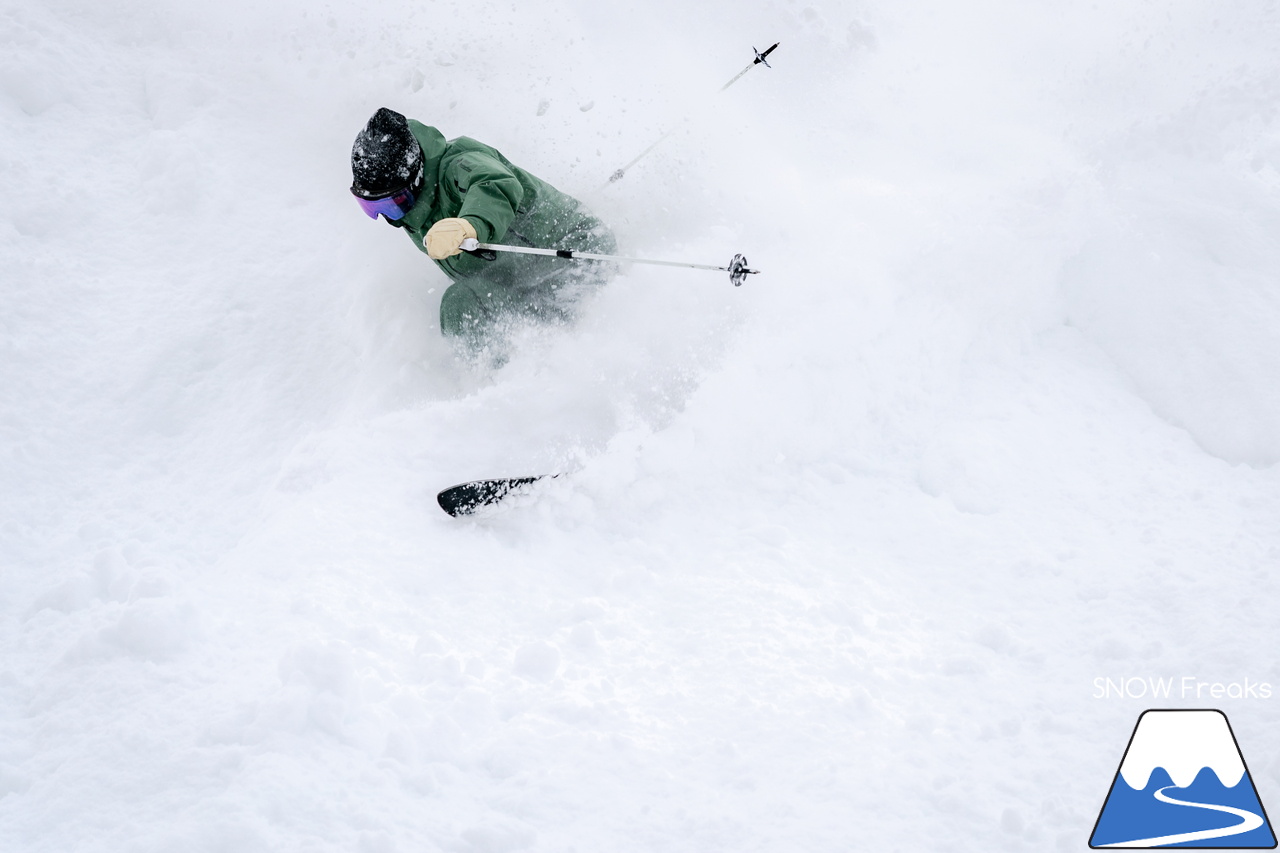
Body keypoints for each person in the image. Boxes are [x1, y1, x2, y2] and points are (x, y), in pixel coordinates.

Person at [349, 107, 617, 349]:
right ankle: (489, 384)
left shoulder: (460, 164)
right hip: (526, 288)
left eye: (392, 203)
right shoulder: (412, 212)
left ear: (416, 176)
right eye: (372, 207)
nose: (388, 217)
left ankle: (548, 379)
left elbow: (494, 184)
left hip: (577, 254)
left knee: (561, 334)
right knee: (460, 304)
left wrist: (471, 225)